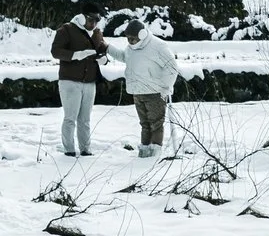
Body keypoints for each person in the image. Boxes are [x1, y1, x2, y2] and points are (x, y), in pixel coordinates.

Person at [110, 19, 180, 158]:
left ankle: (154, 154)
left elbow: (172, 67)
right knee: (145, 124)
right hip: (137, 92)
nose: (130, 41)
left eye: (132, 39)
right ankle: (144, 153)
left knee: (156, 124)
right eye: (127, 38)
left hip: (154, 92)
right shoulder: (131, 48)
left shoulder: (157, 46)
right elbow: (125, 57)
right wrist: (107, 48)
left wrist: (166, 87)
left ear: (142, 34)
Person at [51, 11, 103, 156]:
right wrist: (75, 55)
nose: (93, 24)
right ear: (81, 18)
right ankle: (69, 150)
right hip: (70, 81)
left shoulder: (96, 33)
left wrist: (104, 58)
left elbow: (102, 48)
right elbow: (55, 51)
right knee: (70, 118)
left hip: (89, 82)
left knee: (85, 119)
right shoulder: (66, 30)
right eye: (90, 20)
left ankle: (86, 149)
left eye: (96, 21)